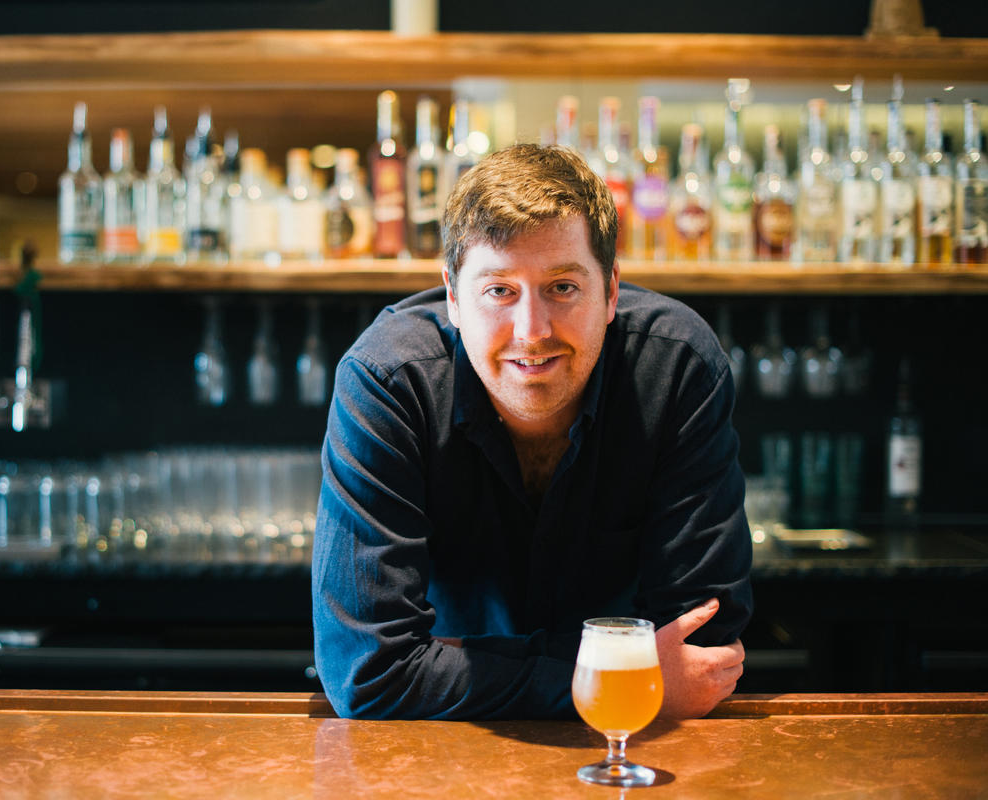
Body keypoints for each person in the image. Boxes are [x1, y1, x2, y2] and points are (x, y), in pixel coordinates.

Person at [312, 143, 751, 720]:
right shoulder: (387, 380)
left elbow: (701, 653)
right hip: (447, 754)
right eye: (499, 291)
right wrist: (613, 678)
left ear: (611, 290)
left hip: (624, 750)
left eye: (562, 287)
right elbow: (368, 672)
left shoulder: (676, 367)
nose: (532, 330)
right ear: (453, 297)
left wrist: (455, 661)